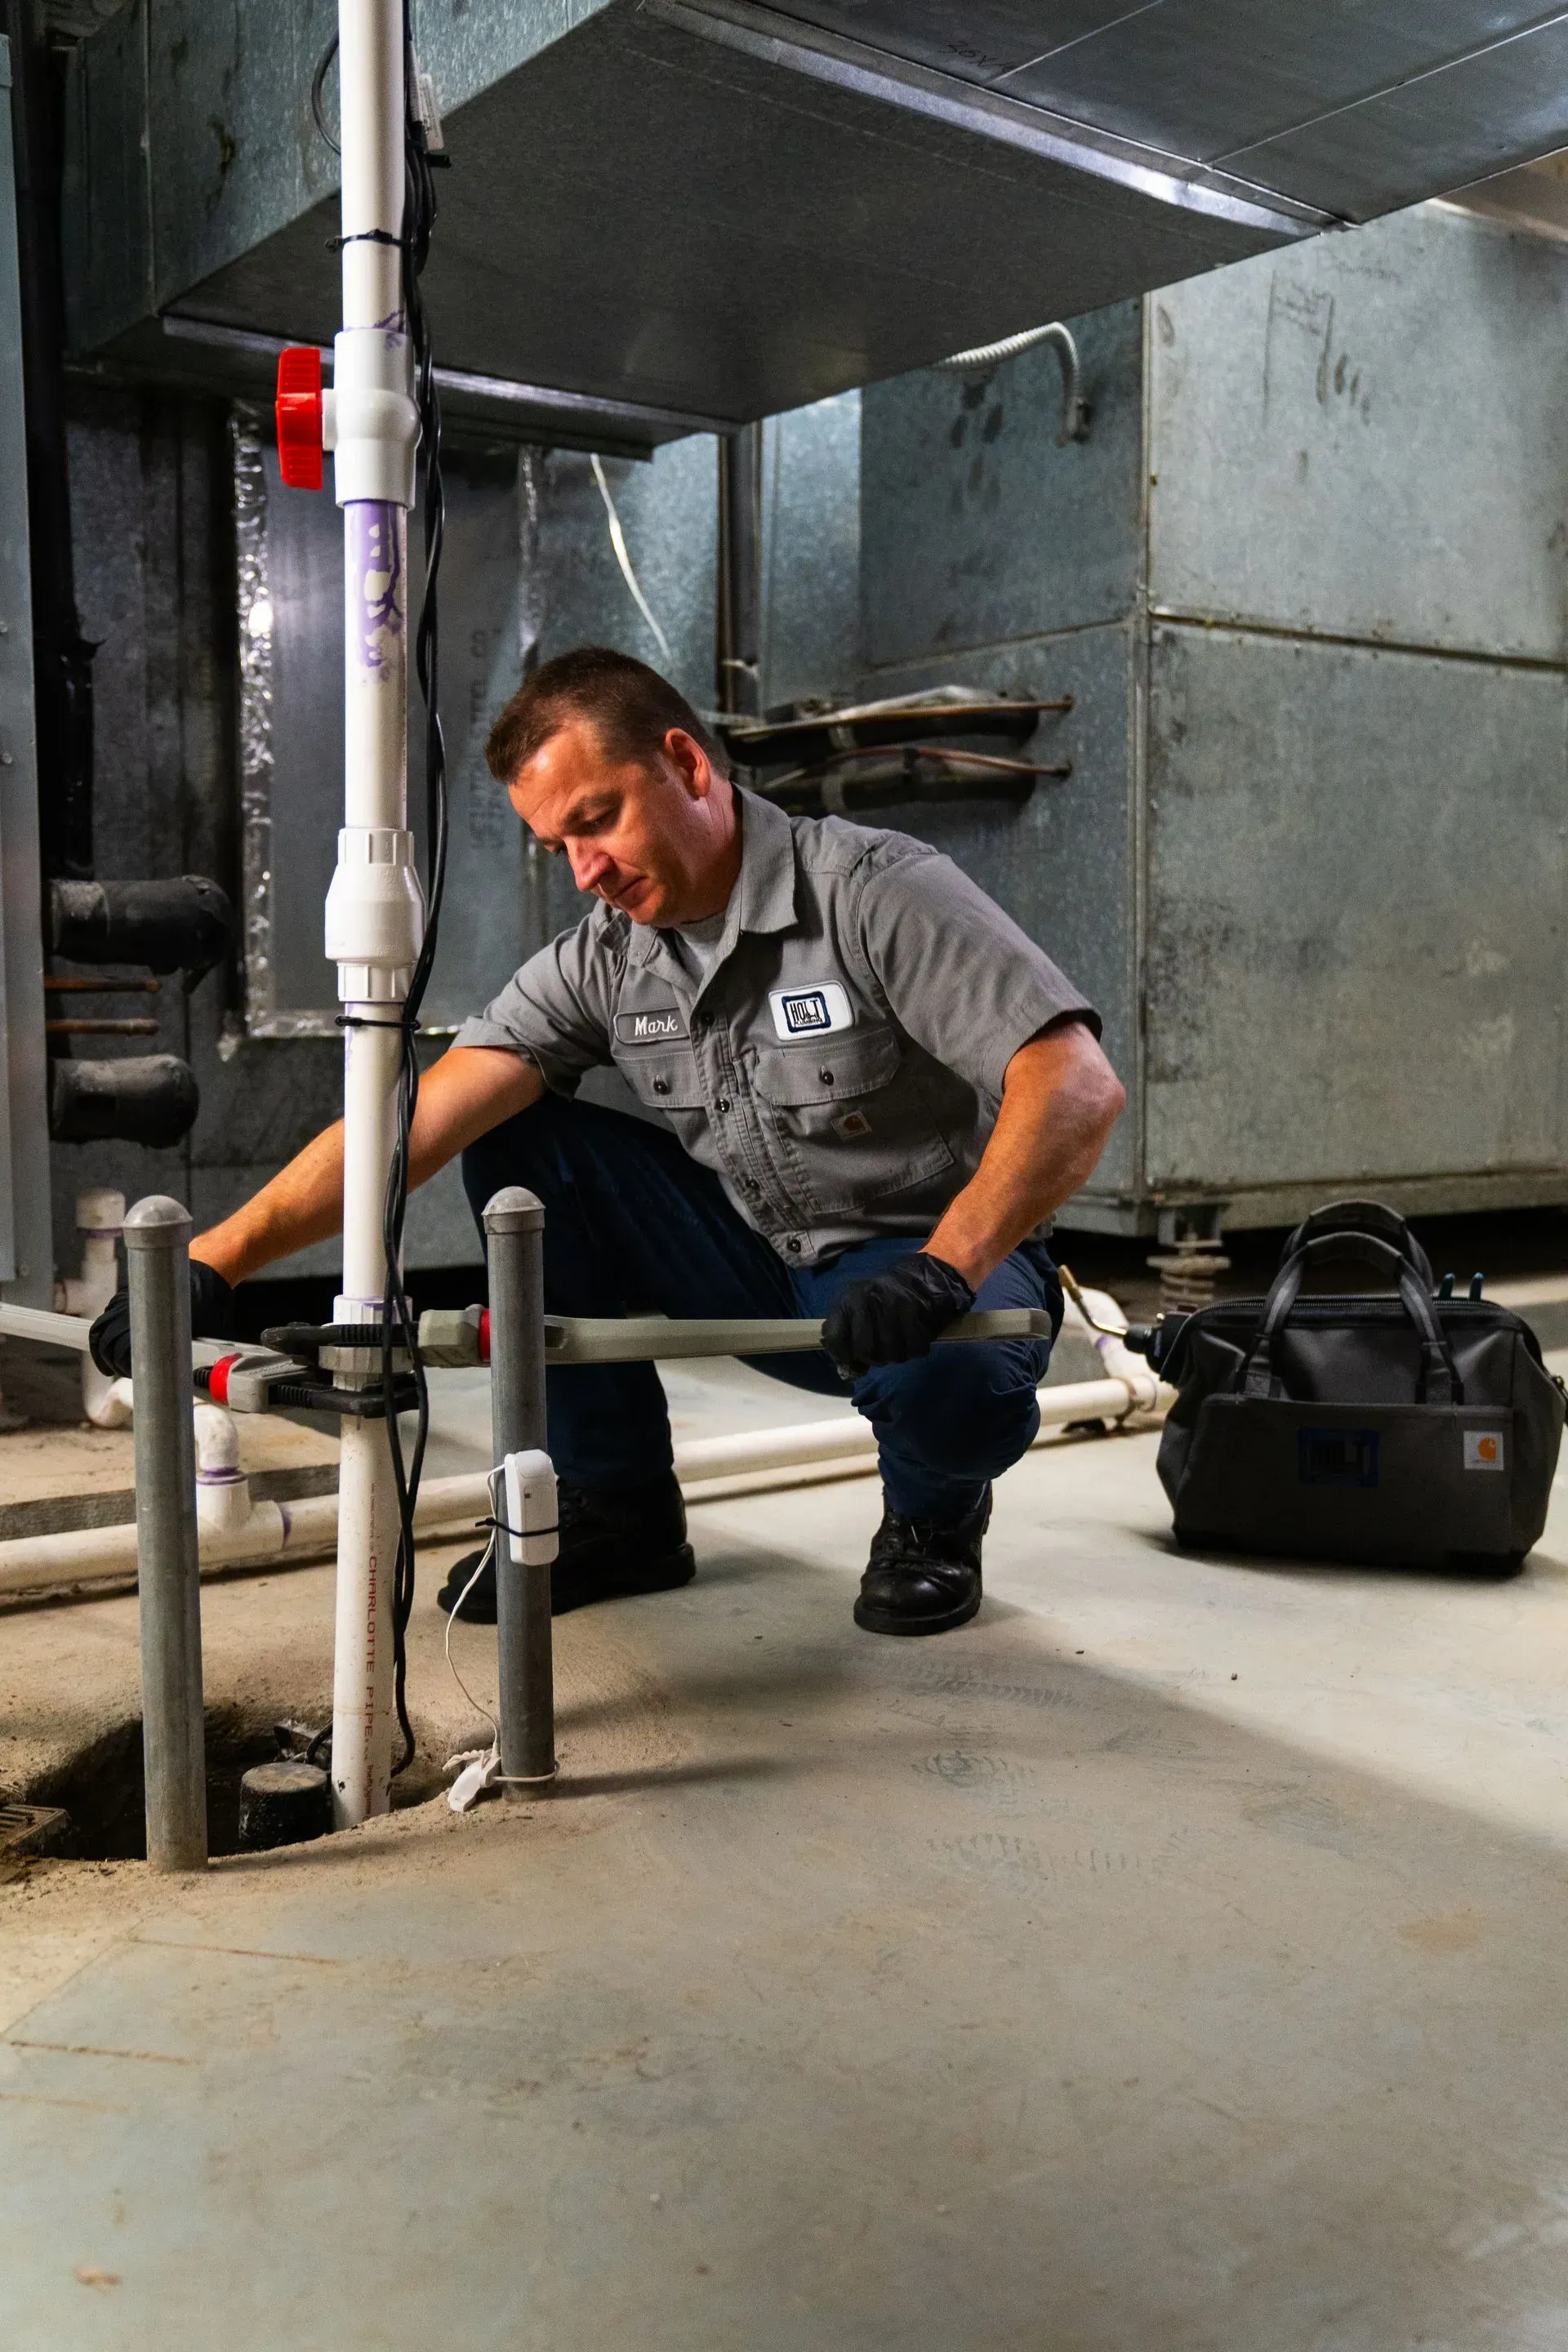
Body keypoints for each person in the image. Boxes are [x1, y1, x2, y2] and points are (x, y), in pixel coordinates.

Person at [91, 647, 1125, 1637]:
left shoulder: (872, 891)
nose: (587, 870)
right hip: (753, 1255)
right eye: (559, 846)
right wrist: (214, 1263)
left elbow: (1074, 1084)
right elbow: (412, 1124)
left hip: (923, 1273)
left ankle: (931, 1518)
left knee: (949, 1379)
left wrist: (949, 1267)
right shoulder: (606, 960)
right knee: (518, 1143)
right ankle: (617, 1508)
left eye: (599, 821)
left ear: (685, 762)